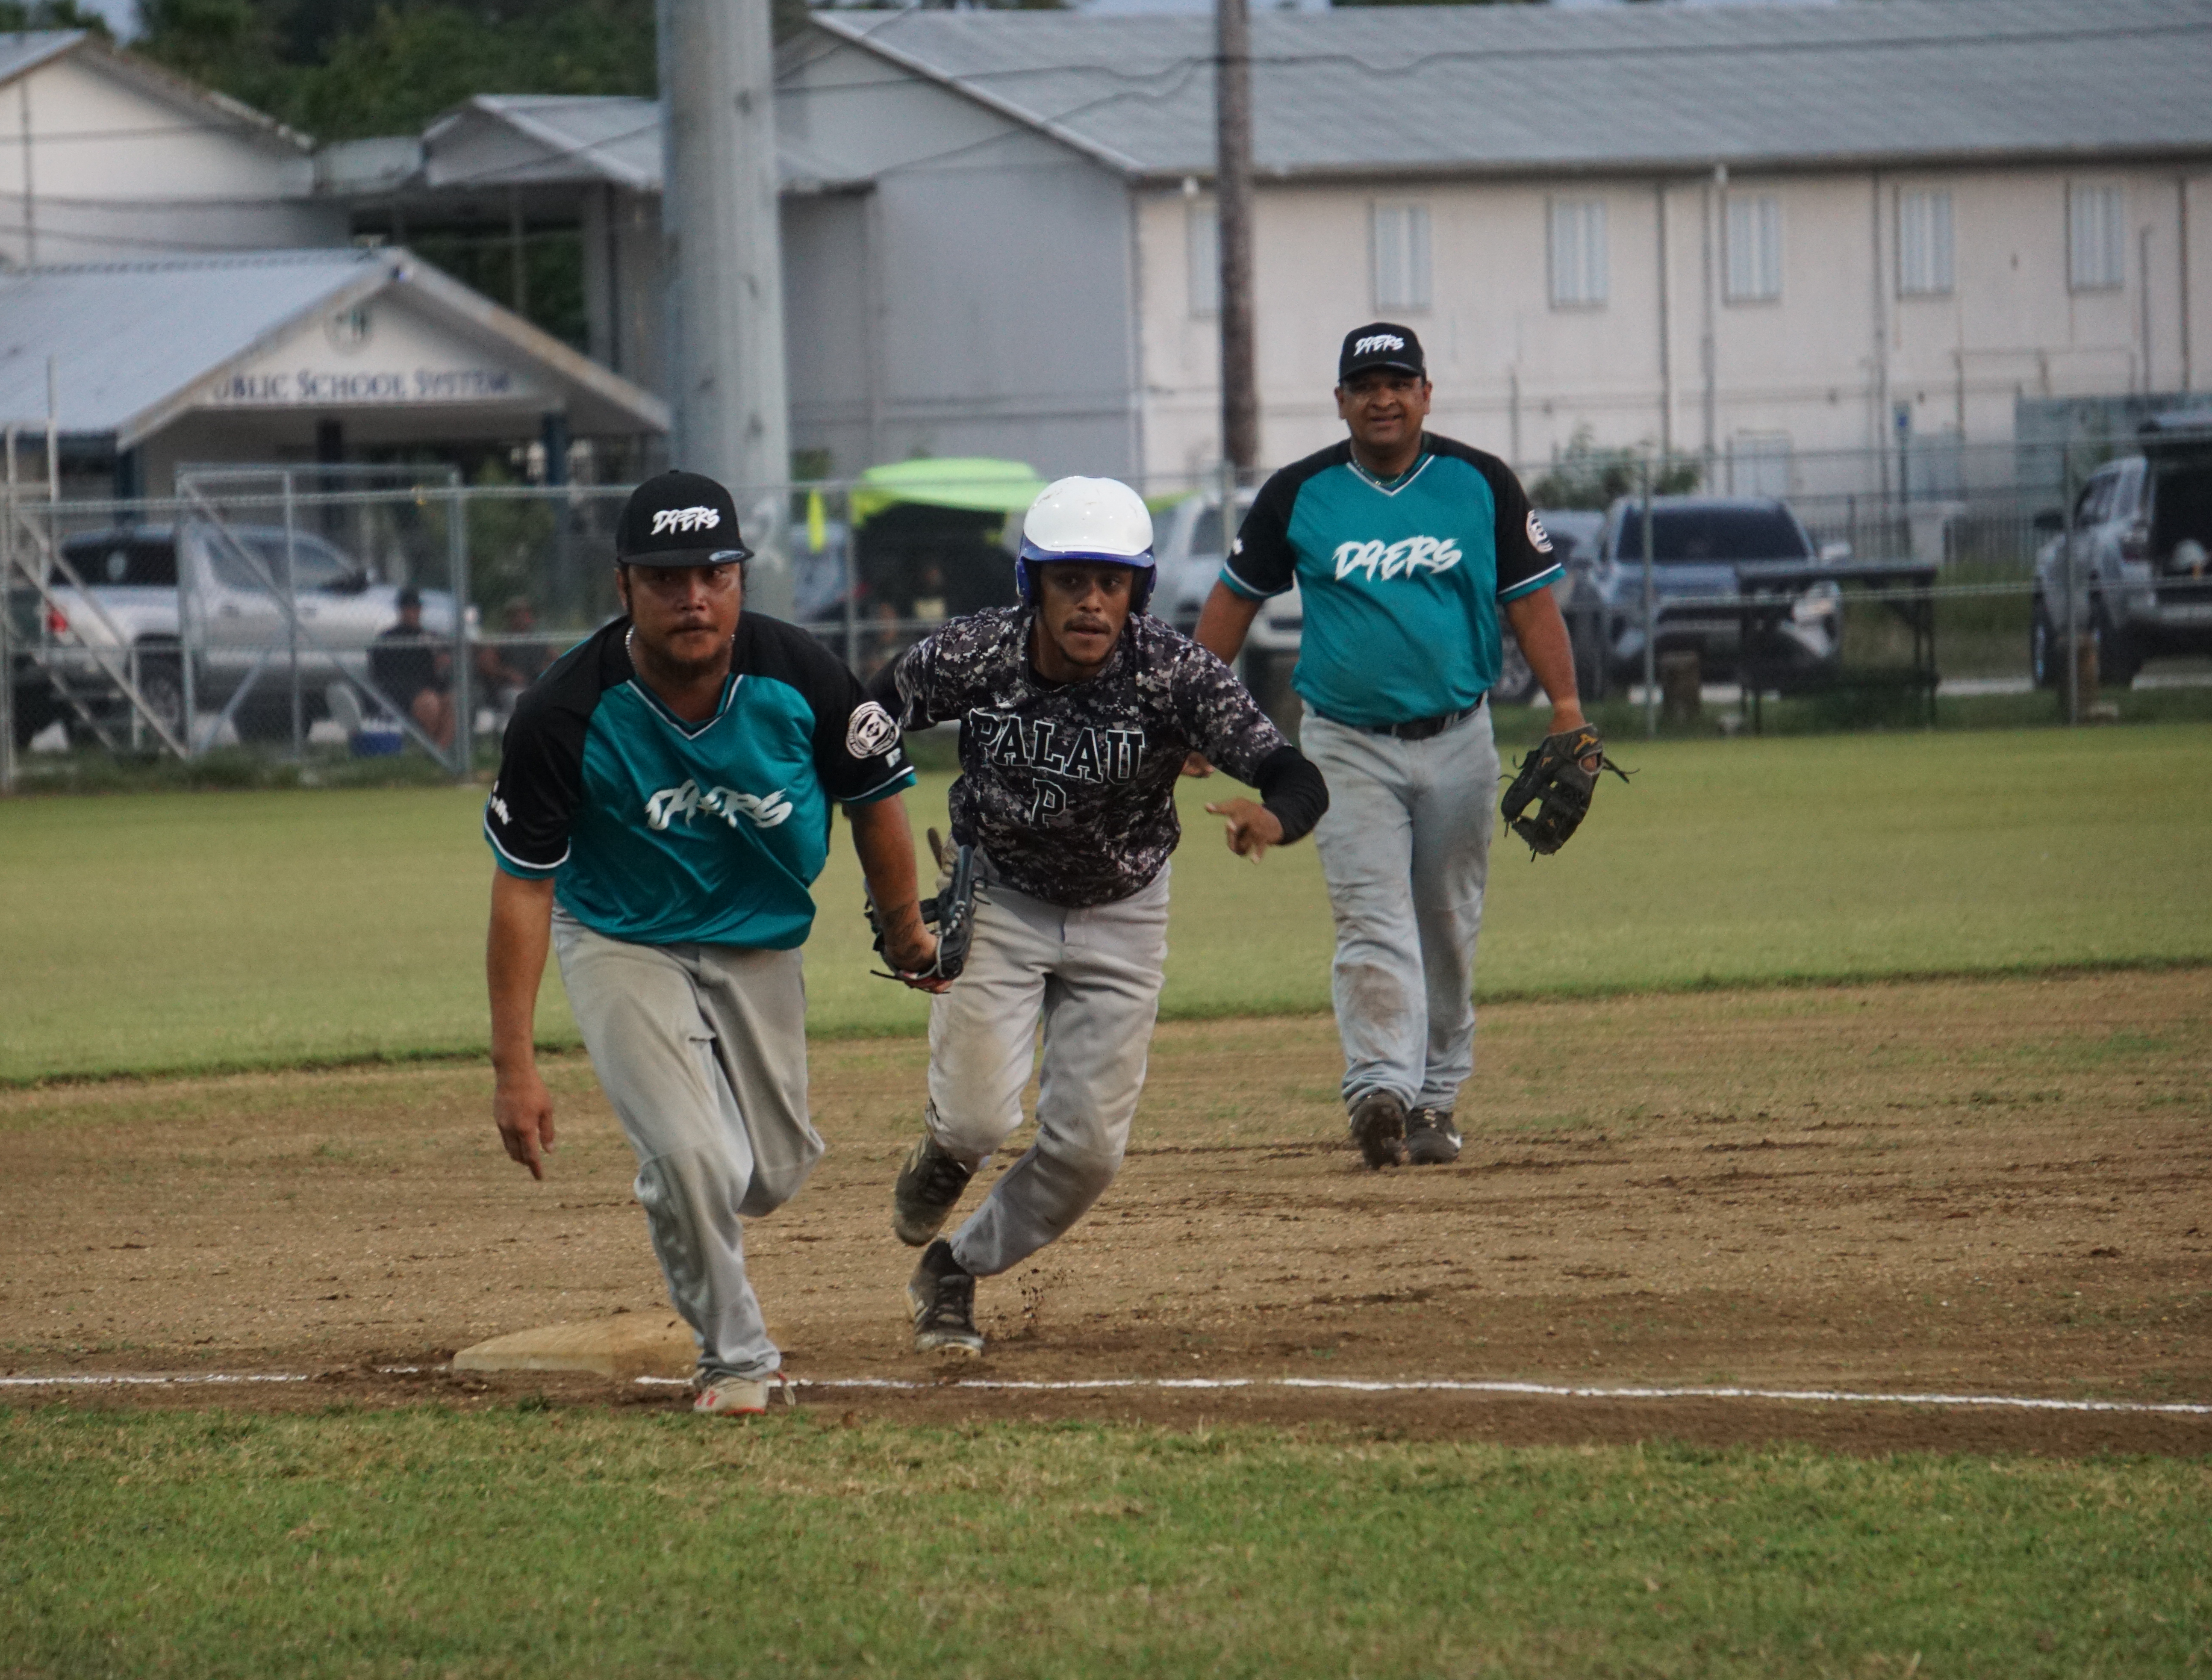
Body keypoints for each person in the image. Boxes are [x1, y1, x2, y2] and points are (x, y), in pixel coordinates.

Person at [483, 469, 940, 1415]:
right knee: (695, 1157)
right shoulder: (563, 712)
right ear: (624, 587)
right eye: (664, 577)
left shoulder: (802, 677)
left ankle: (678, 1187)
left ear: (740, 578)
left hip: (757, 943)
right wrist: (515, 1065)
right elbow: (524, 887)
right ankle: (736, 1360)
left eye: (712, 573)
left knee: (765, 1174)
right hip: (621, 937)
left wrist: (906, 933)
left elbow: (879, 806)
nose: (692, 596)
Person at [870, 475, 1329, 1356]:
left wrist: (1273, 816)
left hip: (1123, 911)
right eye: (1071, 578)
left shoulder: (1171, 673)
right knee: (975, 1121)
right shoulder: (976, 655)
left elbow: (1292, 772)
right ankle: (943, 1152)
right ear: (1033, 585)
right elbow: (864, 718)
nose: (1091, 601)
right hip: (1000, 895)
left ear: (1138, 592)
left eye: (1111, 582)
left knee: (1086, 1155)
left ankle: (954, 1269)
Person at [1192, 322, 1587, 1171]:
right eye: (1365, 385)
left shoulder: (1479, 482)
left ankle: (1434, 1098)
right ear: (1341, 401)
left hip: (1459, 737)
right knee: (1372, 919)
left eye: (1398, 381)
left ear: (1425, 393)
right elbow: (1233, 600)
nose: (1382, 397)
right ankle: (1378, 1087)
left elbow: (1531, 603)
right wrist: (1194, 714)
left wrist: (1568, 706)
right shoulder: (1302, 493)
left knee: (1445, 923)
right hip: (1344, 743)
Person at [370, 587, 454, 745]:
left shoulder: (429, 637)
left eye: (417, 608)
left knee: (454, 701)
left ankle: (441, 751)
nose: (414, 612)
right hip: (401, 688)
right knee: (430, 702)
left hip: (430, 684)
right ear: (401, 610)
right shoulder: (389, 638)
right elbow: (382, 672)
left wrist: (442, 662)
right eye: (409, 608)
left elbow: (442, 665)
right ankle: (430, 750)